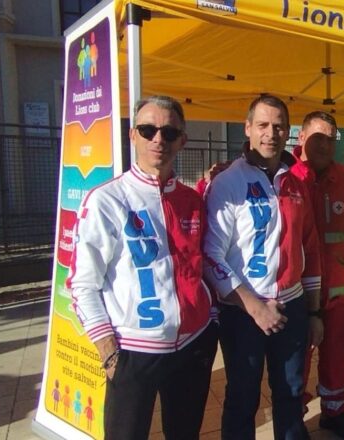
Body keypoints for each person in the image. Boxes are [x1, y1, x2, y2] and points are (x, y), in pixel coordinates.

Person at [69, 96, 217, 440]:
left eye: (168, 132)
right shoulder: (106, 200)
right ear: (133, 135)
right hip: (133, 351)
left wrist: (211, 320)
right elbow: (82, 284)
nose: (158, 140)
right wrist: (108, 352)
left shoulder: (192, 200)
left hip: (193, 344)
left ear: (182, 139)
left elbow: (204, 263)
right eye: (148, 130)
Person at [203, 95, 323, 440]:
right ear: (248, 129)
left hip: (292, 306)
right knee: (243, 399)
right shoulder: (227, 183)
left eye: (279, 126)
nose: (271, 133)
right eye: (263, 125)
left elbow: (310, 251)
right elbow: (211, 255)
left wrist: (314, 313)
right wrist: (255, 308)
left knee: (291, 393)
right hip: (243, 312)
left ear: (289, 131)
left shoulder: (296, 184)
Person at [291, 111, 344, 439]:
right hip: (298, 289)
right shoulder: (287, 176)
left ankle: (334, 413)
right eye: (318, 137)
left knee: (336, 354)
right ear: (302, 138)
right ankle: (293, 417)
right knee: (296, 360)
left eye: (331, 138)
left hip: (339, 286)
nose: (325, 144)